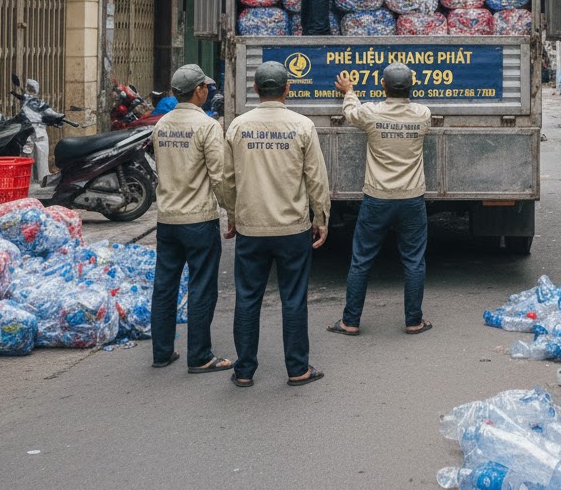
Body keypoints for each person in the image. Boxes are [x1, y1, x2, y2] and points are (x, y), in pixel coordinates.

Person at [223, 61, 330, 388]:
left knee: (247, 297)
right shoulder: (302, 126)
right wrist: (321, 217)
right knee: (294, 298)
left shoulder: (238, 127)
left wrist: (232, 215)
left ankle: (244, 371)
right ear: (287, 89)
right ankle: (297, 369)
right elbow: (316, 179)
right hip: (292, 229)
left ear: (255, 90)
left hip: (251, 228)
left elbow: (227, 180)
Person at [328, 64, 433, 336]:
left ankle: (350, 322)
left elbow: (351, 112)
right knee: (413, 262)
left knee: (361, 260)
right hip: (411, 199)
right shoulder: (422, 115)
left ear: (383, 86)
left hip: (377, 198)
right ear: (412, 87)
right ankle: (414, 321)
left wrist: (349, 91)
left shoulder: (371, 114)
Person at [149, 64, 234, 374]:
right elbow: (220, 177)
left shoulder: (161, 125)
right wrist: (232, 213)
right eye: (205, 88)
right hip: (198, 219)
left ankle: (161, 352)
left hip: (167, 219)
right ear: (199, 90)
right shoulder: (207, 126)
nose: (207, 92)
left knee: (165, 286)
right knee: (201, 287)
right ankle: (199, 356)